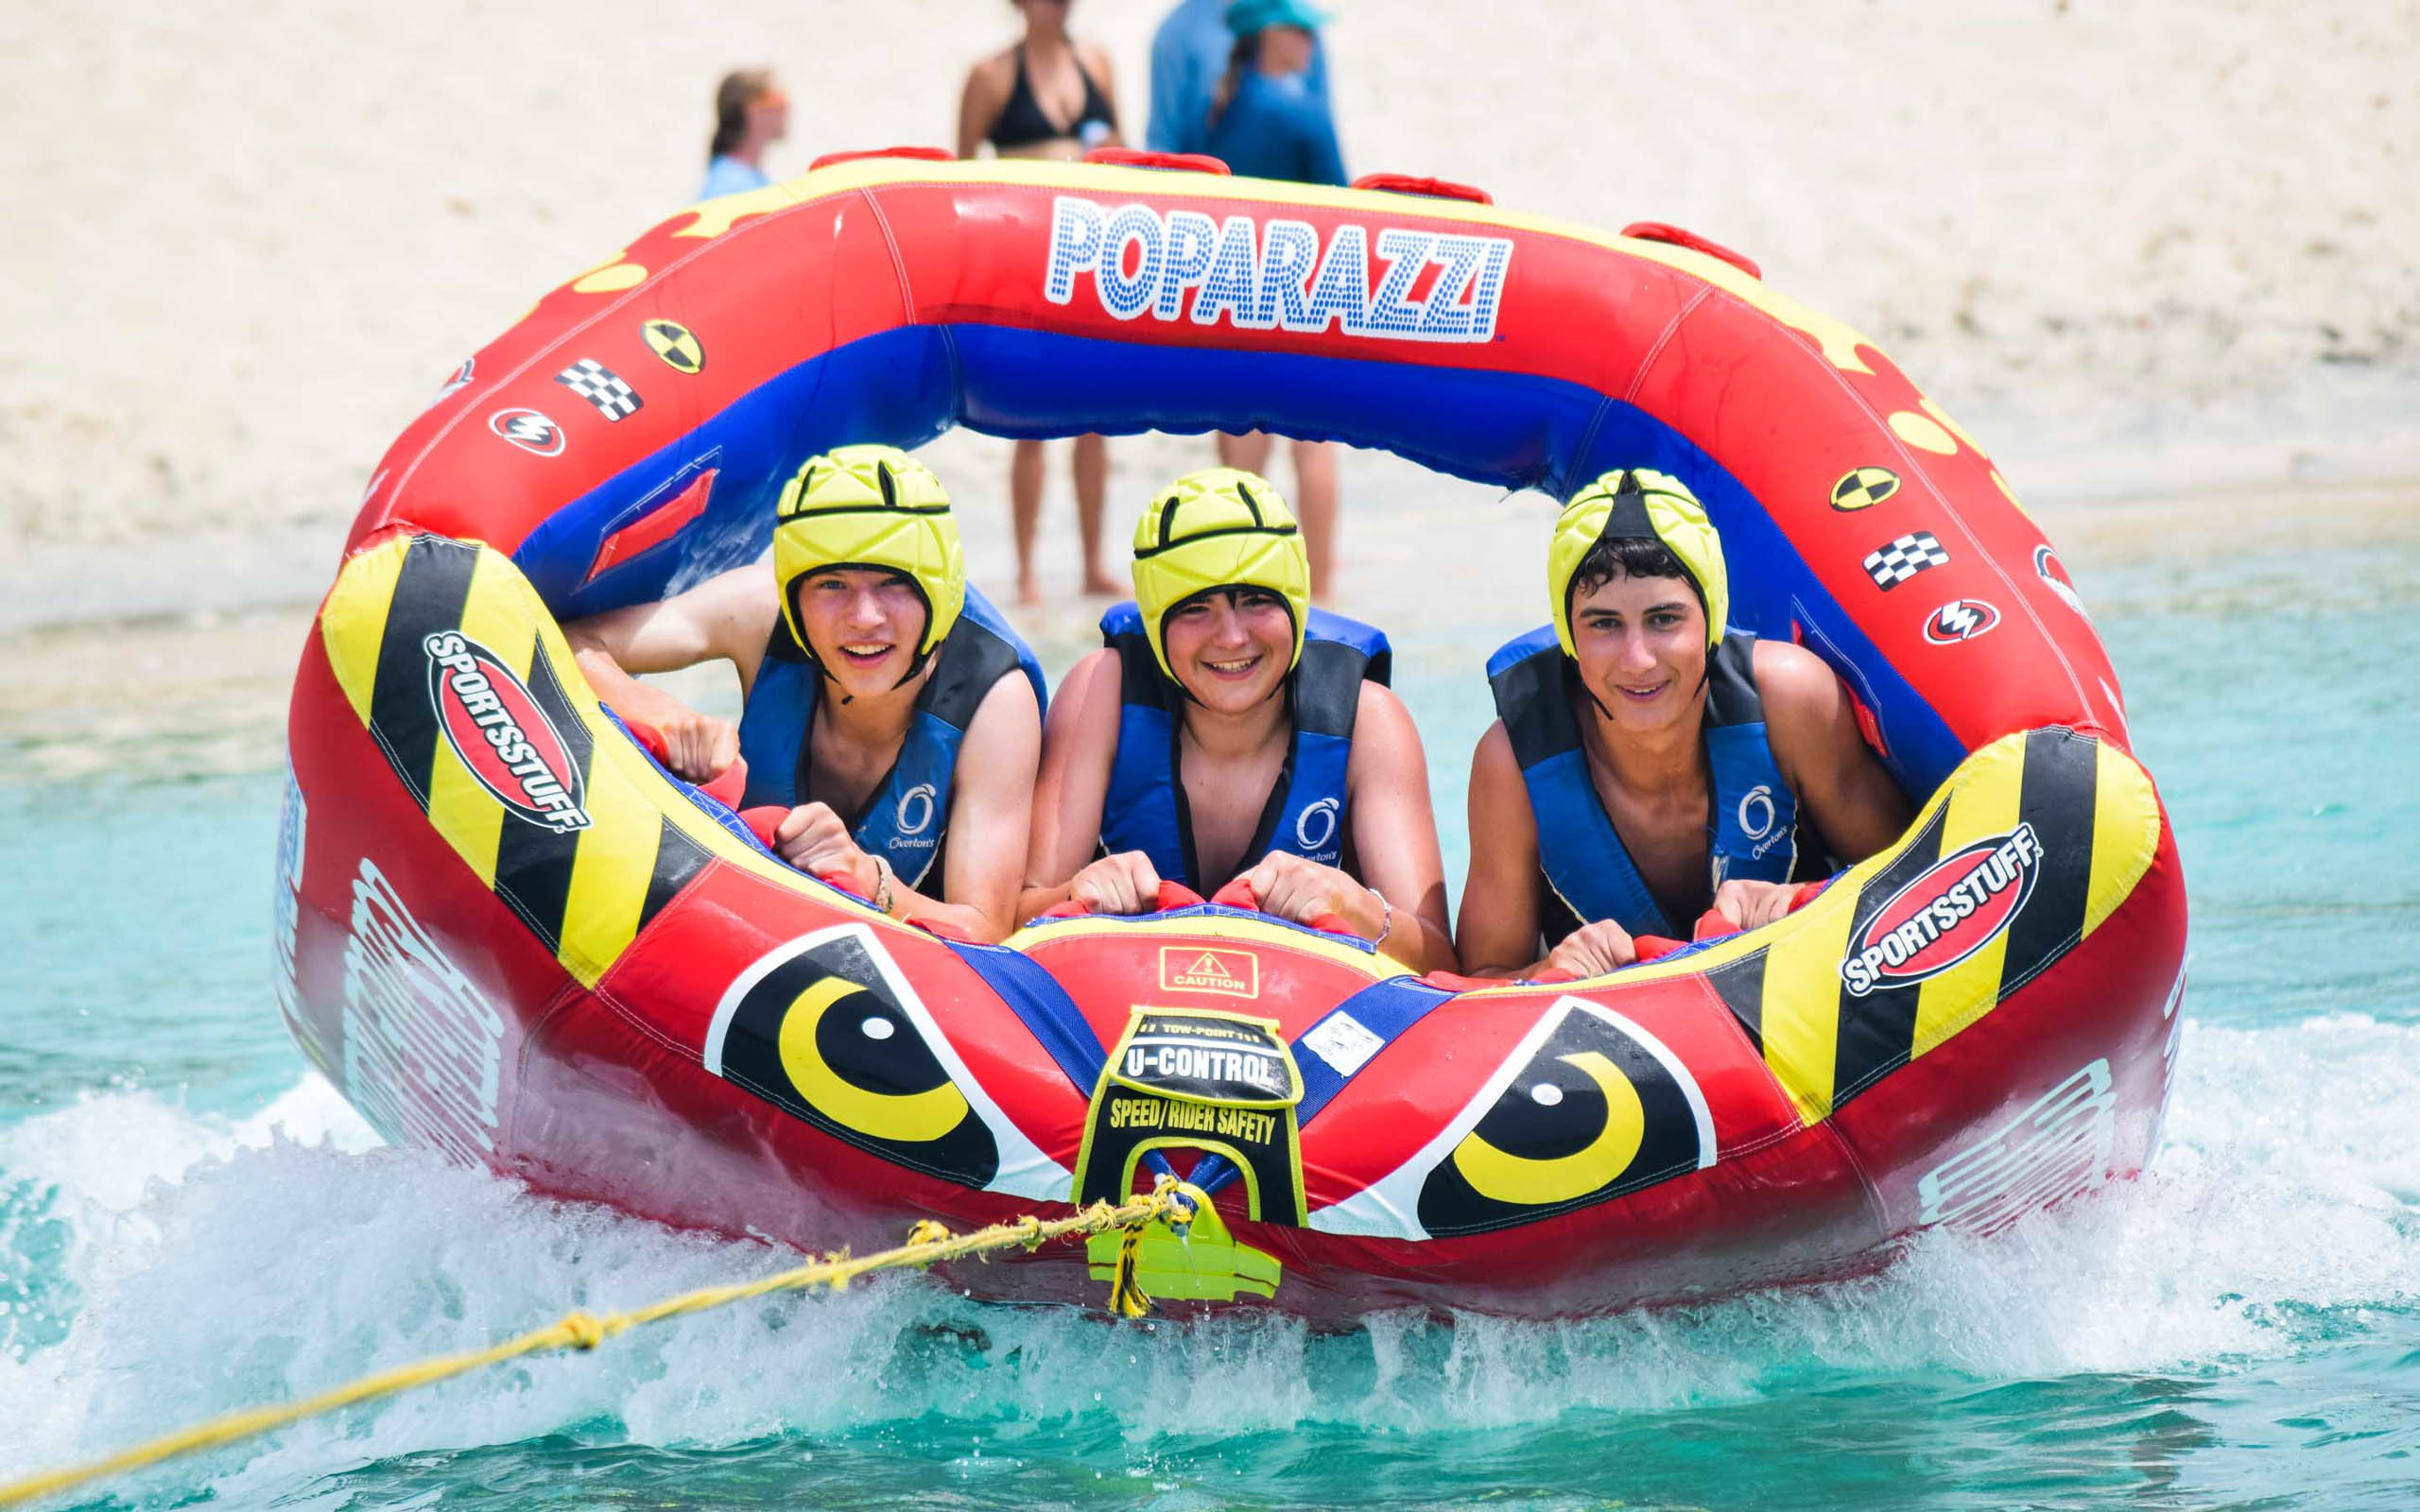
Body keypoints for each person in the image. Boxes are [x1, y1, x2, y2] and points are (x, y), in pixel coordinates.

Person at [563, 446, 1045, 944]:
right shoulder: (759, 611)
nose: (864, 618)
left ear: (939, 593)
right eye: (832, 584)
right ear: (793, 594)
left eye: (893, 585)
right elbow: (575, 640)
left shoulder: (995, 702)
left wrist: (871, 881)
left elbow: (987, 930)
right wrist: (656, 710)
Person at [1458, 469, 1913, 979]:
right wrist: (1543, 973)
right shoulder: (1516, 763)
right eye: (1604, 624)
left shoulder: (1789, 701)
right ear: (1569, 636)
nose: (1638, 659)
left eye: (1664, 619)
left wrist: (1807, 901)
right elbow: (1479, 982)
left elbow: (1918, 882)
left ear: (1711, 619)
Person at [1022, 468, 1457, 973]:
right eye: (1196, 609)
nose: (1231, 638)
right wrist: (1076, 892)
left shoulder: (1366, 717)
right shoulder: (1102, 694)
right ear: (1155, 618)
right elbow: (1013, 921)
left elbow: (1440, 965)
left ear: (1297, 603)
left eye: (1256, 601)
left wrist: (1351, 902)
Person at [957, 0, 1124, 606]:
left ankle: (1091, 562)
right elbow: (962, 173)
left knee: (1096, 420)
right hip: (1024, 261)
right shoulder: (993, 74)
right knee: (1030, 423)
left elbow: (1124, 157)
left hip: (1091, 256)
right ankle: (1027, 569)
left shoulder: (1096, 62)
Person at [1203, 0, 1347, 598]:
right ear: (1270, 36)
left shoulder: (1219, 106)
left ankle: (1246, 571)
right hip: (1301, 288)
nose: (1312, 43)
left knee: (1240, 448)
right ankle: (1322, 583)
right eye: (1301, 30)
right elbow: (1345, 207)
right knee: (1313, 444)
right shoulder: (1302, 113)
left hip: (1230, 289)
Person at [1146, 0, 1328, 158]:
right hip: (1209, 187)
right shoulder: (1177, 32)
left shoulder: (1301, 24)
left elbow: (1322, 129)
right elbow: (1162, 143)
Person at [701, 70, 788, 200]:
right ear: (752, 109)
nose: (786, 109)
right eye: (779, 99)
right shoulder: (731, 185)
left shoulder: (741, 178)